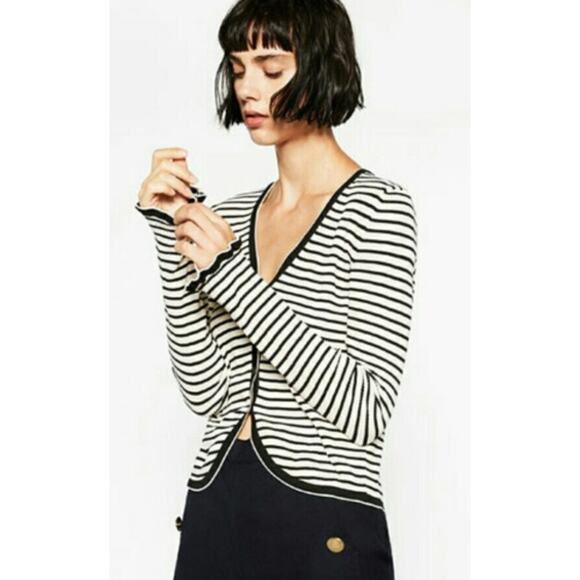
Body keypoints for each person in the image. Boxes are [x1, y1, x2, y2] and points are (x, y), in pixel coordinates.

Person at [135, 1, 418, 578]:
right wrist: (171, 235)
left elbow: (364, 410)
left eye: (271, 68)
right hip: (217, 503)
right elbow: (206, 392)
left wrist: (228, 276)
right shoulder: (232, 217)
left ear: (322, 65)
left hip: (322, 525)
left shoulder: (379, 209)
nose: (248, 87)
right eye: (238, 68)